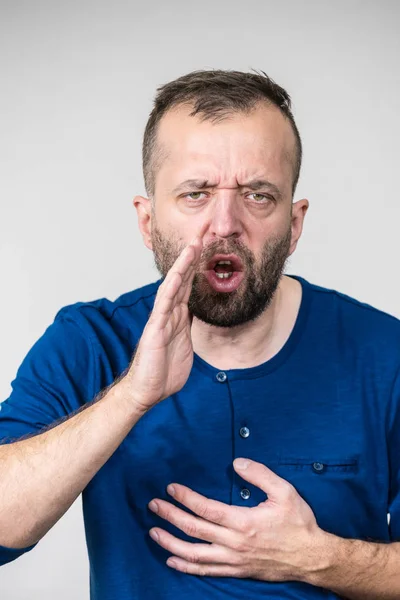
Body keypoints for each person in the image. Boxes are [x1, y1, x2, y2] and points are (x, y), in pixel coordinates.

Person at [0, 69, 399, 600]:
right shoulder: (88, 342)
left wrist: (321, 559)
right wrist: (131, 398)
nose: (225, 222)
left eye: (258, 195)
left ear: (295, 223)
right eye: (196, 193)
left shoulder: (384, 353)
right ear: (147, 221)